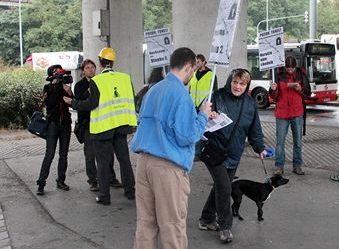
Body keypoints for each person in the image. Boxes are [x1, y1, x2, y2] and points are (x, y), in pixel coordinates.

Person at [130, 47, 212, 249]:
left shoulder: (153, 90)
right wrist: (202, 115)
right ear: (189, 67)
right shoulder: (180, 95)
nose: (193, 74)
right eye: (193, 70)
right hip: (167, 167)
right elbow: (186, 136)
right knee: (172, 227)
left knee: (145, 224)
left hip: (144, 164)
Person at [199, 68, 267, 243]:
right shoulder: (217, 95)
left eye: (242, 83)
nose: (237, 86)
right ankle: (225, 227)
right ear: (230, 81)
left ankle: (206, 219)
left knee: (221, 187)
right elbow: (200, 111)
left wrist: (260, 147)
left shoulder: (250, 104)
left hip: (234, 153)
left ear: (247, 86)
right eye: (235, 82)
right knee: (225, 188)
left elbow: (254, 129)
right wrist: (207, 114)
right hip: (214, 150)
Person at [63, 47, 137, 205]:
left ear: (100, 63)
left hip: (103, 128)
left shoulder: (97, 81)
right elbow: (131, 99)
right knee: (124, 160)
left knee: (103, 163)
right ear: (113, 61)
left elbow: (91, 103)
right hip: (121, 126)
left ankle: (104, 196)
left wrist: (73, 102)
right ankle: (130, 191)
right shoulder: (125, 78)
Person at [73, 59, 122, 192]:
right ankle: (93, 180)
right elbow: (79, 102)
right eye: (87, 68)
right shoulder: (79, 85)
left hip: (104, 122)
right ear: (83, 71)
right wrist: (89, 90)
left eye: (92, 67)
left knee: (108, 152)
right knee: (90, 154)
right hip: (88, 124)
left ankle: (111, 178)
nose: (90, 70)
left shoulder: (102, 81)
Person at [36, 65, 74, 195]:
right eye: (55, 72)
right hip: (52, 124)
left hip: (65, 125)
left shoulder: (65, 85)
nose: (58, 74)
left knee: (63, 155)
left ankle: (61, 180)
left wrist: (68, 91)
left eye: (59, 71)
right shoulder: (48, 87)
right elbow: (49, 103)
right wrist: (53, 86)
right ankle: (41, 183)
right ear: (51, 75)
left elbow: (72, 101)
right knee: (50, 154)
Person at [269, 56, 308, 176]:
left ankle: (297, 166)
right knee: (280, 142)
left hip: (297, 113)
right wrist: (273, 89)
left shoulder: (301, 75)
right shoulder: (279, 75)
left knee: (298, 142)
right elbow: (274, 97)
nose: (290, 70)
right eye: (288, 68)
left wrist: (300, 89)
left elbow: (307, 93)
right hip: (282, 113)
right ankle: (279, 167)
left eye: (292, 68)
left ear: (295, 67)